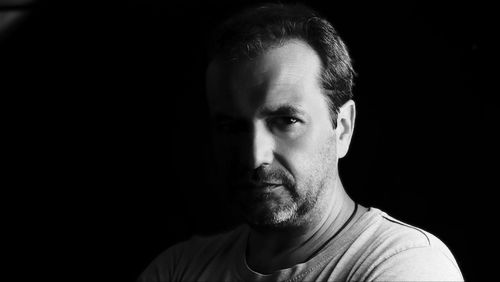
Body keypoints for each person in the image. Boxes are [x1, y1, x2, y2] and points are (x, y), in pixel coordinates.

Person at [138, 3, 464, 281]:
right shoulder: (177, 269)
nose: (255, 157)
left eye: (286, 121)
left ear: (343, 128)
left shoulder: (405, 265)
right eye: (232, 127)